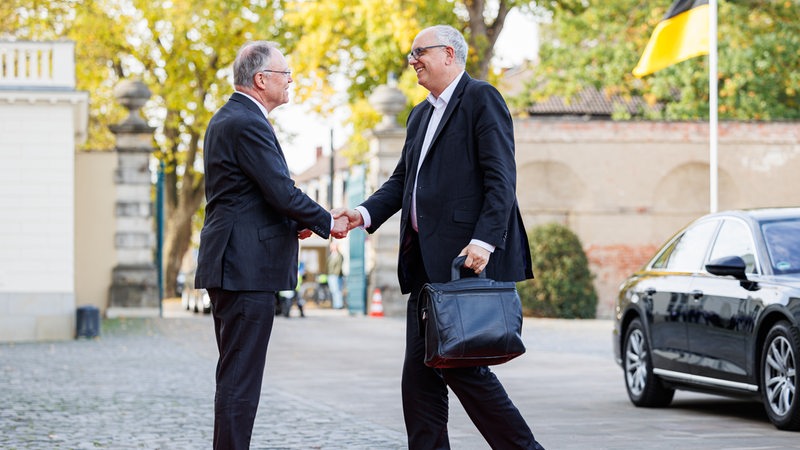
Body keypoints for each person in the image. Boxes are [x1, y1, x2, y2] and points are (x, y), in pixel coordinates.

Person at [334, 25, 544, 449]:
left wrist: (485, 241)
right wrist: (360, 213)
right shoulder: (419, 114)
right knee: (419, 382)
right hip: (427, 268)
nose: (412, 61)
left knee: (463, 371)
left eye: (419, 52)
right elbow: (401, 182)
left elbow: (502, 178)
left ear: (449, 53)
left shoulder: (481, 99)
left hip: (463, 262)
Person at [194, 40, 348, 450]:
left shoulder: (230, 118)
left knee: (235, 374)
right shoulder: (247, 122)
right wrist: (326, 222)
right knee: (240, 379)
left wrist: (290, 223)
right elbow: (280, 190)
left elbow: (250, 196)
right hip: (244, 267)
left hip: (234, 261)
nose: (291, 81)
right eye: (286, 75)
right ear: (262, 80)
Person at [326, 241, 345, 309]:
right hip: (331, 275)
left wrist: (336, 274)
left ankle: (338, 305)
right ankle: (336, 304)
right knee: (333, 291)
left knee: (337, 291)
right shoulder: (332, 255)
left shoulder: (339, 255)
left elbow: (338, 267)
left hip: (336, 275)